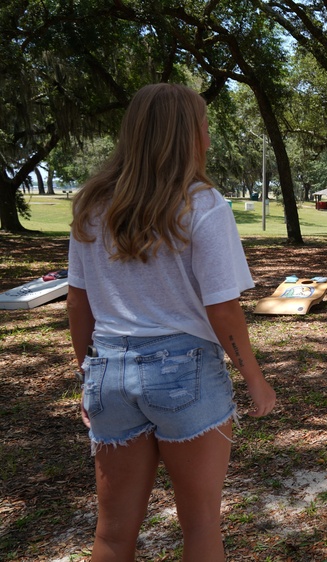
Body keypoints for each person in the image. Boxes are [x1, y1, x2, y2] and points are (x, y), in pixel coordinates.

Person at [67, 83, 276, 562]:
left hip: (109, 371)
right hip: (185, 370)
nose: (208, 137)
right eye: (204, 126)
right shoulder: (203, 204)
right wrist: (255, 381)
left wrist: (88, 376)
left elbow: (78, 303)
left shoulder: (93, 204)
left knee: (113, 532)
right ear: (188, 135)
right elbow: (222, 309)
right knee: (201, 526)